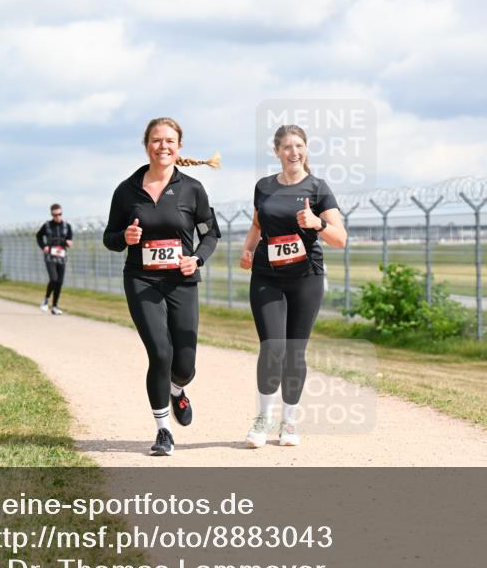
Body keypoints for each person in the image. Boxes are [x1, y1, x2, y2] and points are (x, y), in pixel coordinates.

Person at [102, 117, 221, 456]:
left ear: (179, 147)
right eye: (156, 140)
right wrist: (124, 237)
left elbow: (210, 234)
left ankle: (177, 389)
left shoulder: (192, 189)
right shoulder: (126, 190)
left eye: (169, 140)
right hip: (141, 280)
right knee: (160, 352)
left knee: (184, 364)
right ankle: (163, 431)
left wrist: (196, 259)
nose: (163, 146)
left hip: (182, 281)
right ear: (146, 145)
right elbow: (109, 238)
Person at [238, 124, 346, 448]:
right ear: (276, 152)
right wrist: (247, 248)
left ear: (306, 149)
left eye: (299, 146)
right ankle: (262, 419)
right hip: (266, 275)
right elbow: (257, 223)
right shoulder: (264, 187)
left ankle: (289, 422)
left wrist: (318, 223)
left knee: (295, 351)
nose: (293, 152)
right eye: (287, 147)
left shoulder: (318, 187)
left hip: (306, 278)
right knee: (273, 347)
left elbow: (340, 238)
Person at [36, 203, 73, 315]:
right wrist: (44, 246)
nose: (58, 216)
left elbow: (70, 240)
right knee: (54, 278)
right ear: (52, 214)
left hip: (61, 255)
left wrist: (68, 242)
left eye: (60, 214)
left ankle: (55, 306)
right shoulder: (47, 225)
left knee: (60, 282)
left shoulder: (67, 226)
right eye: (55, 215)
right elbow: (38, 236)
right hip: (50, 256)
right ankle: (46, 300)